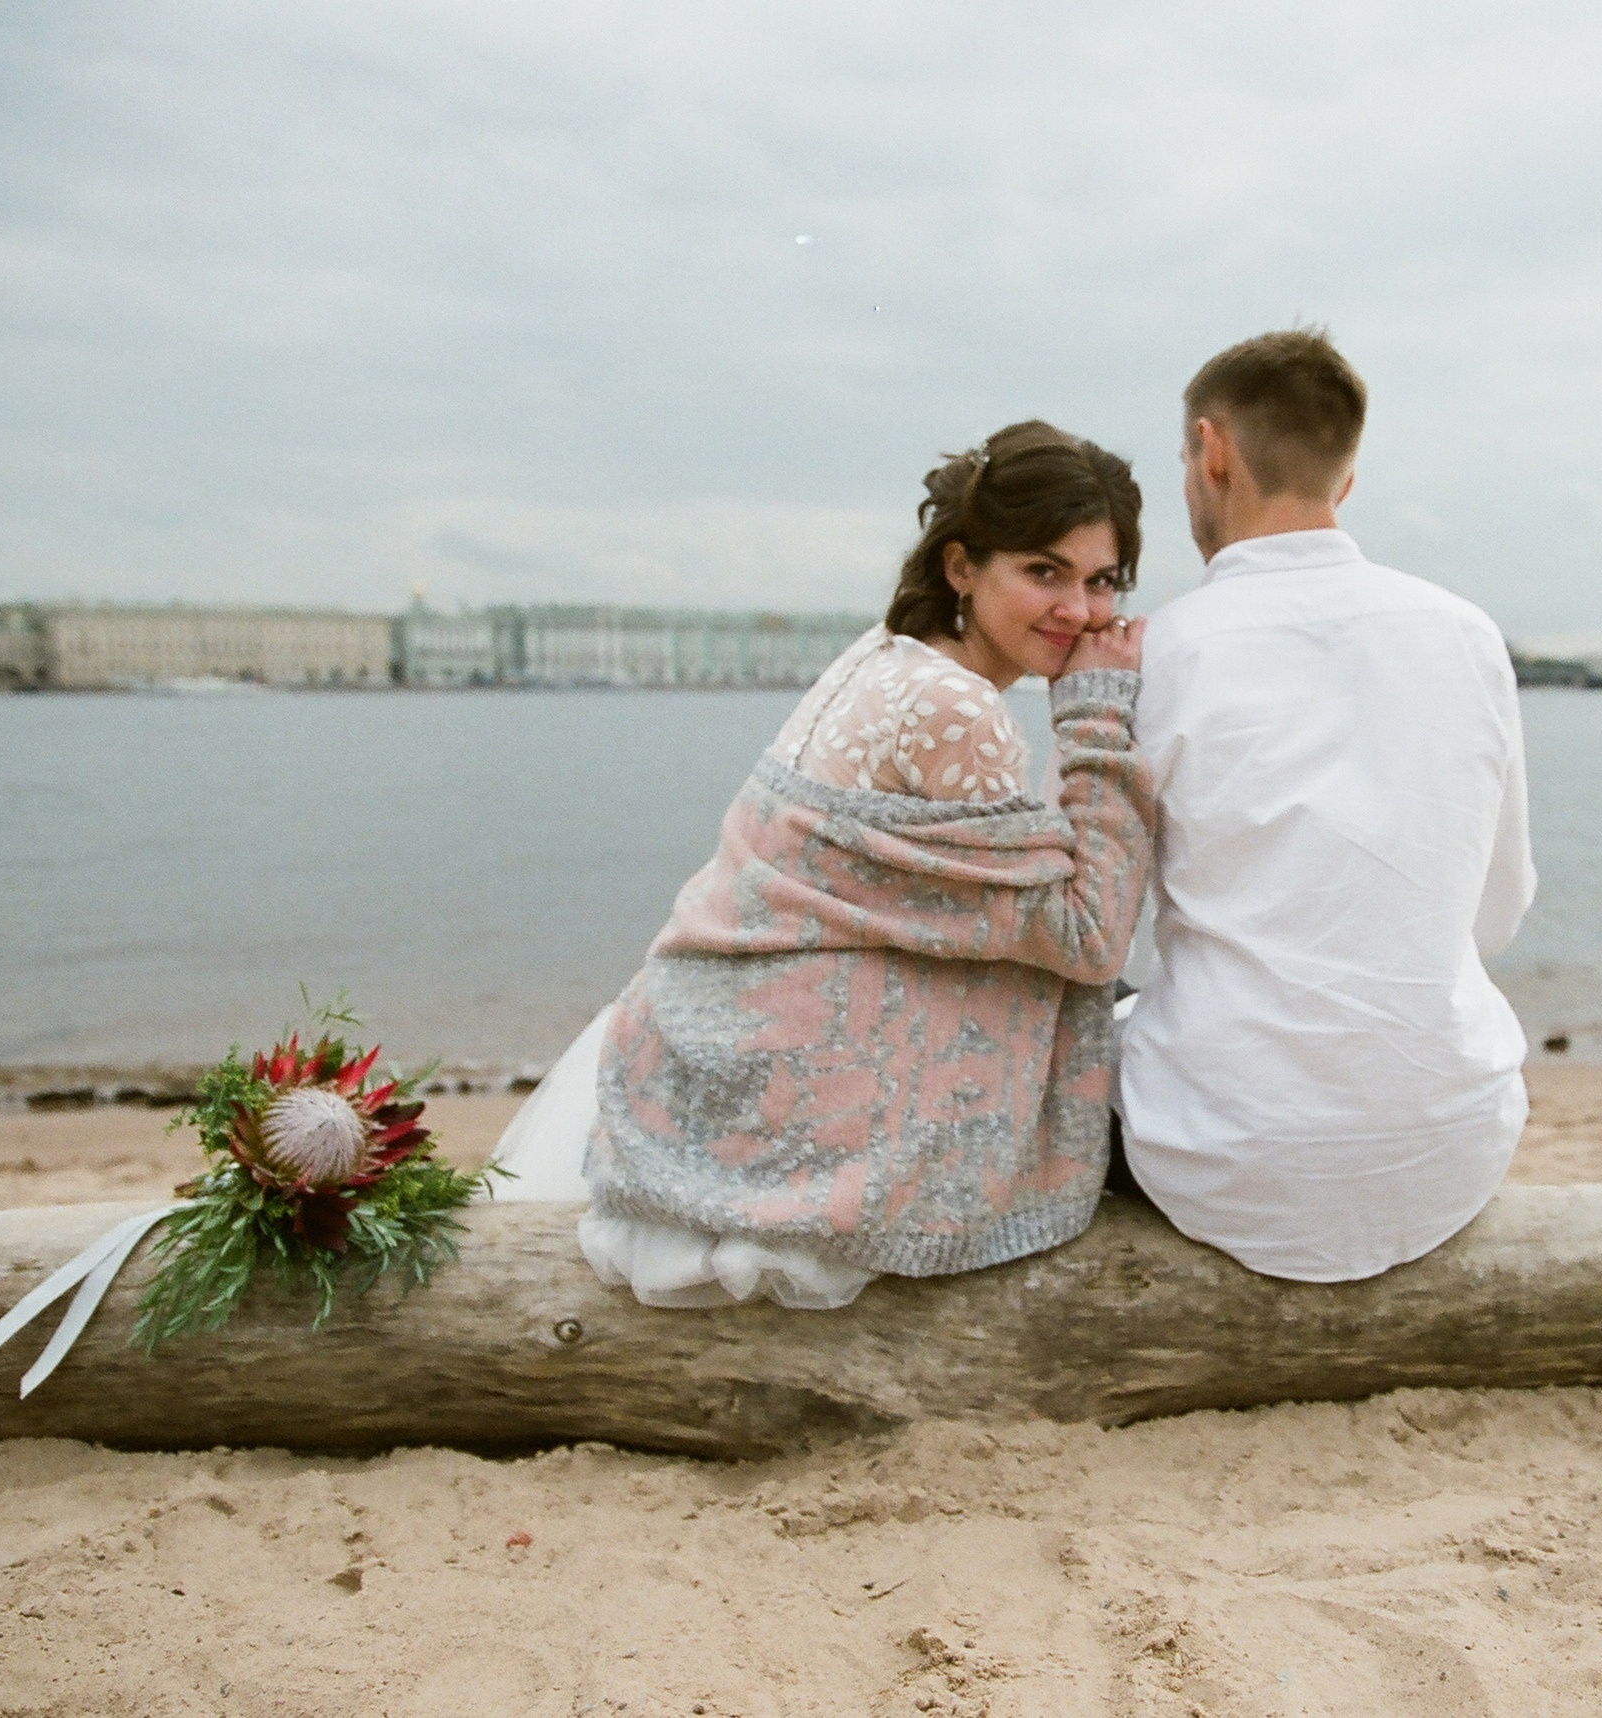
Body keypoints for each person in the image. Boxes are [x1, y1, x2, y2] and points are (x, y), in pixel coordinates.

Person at [488, 420, 1153, 1309]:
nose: (1078, 610)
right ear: (963, 567)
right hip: (788, 1093)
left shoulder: (882, 655)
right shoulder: (958, 707)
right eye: (1044, 571)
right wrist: (1097, 720)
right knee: (1118, 1005)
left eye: (1101, 581)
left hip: (705, 1033)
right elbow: (1088, 932)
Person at [1114, 329, 1536, 1282]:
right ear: (1344, 483)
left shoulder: (1163, 651)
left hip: (1225, 1165)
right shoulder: (1467, 635)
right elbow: (1497, 916)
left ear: (1211, 452)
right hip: (1451, 1150)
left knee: (1106, 1005)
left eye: (1188, 460)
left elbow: (1104, 929)